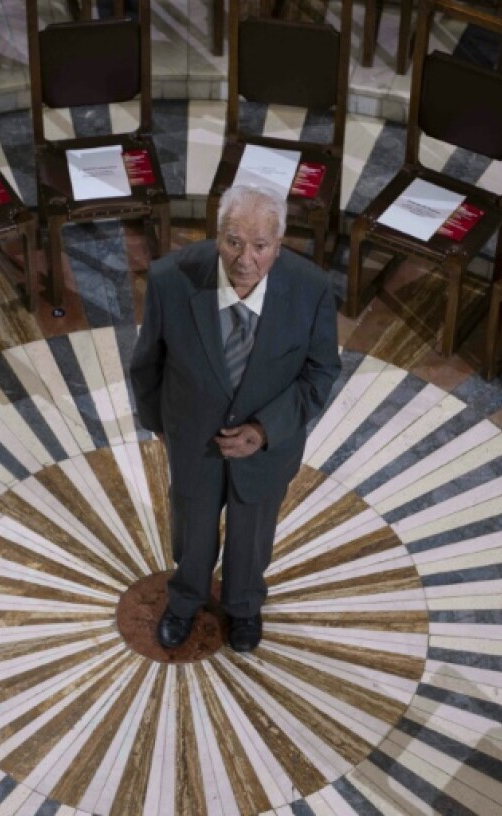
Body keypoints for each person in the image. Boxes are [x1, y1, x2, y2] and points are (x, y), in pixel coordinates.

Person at [129, 184, 341, 653]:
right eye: (233, 242)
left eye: (260, 246)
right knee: (193, 533)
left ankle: (244, 607)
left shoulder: (311, 289)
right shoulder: (169, 279)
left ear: (279, 245)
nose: (245, 259)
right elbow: (147, 364)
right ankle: (185, 602)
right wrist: (160, 427)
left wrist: (265, 431)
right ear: (217, 234)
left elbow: (321, 371)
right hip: (193, 444)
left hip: (267, 451)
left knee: (252, 537)